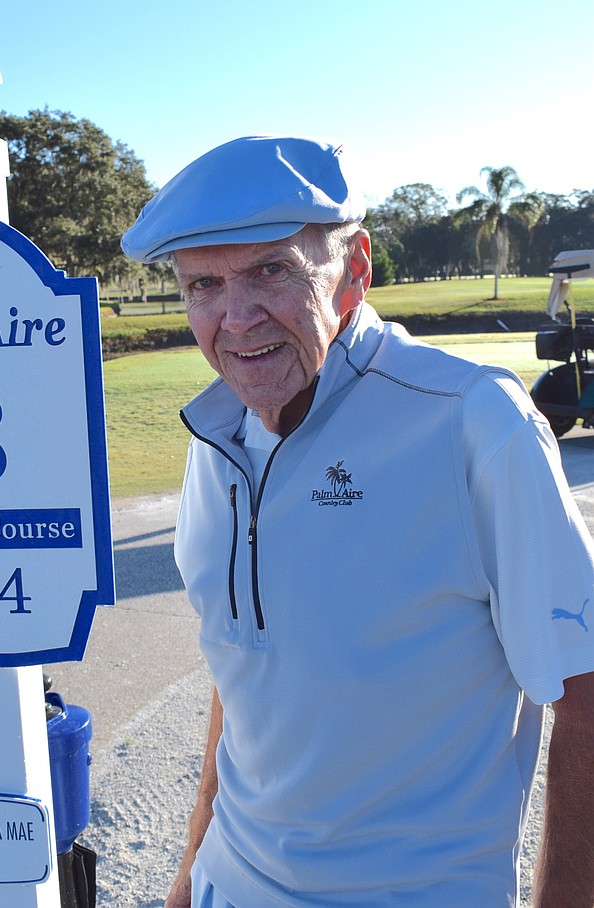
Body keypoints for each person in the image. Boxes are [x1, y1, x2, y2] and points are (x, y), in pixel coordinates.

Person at [120, 135, 594, 908]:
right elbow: (244, 664)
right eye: (202, 285)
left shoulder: (472, 422)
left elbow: (584, 684)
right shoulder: (218, 436)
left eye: (271, 270)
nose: (236, 320)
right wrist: (187, 875)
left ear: (354, 271)